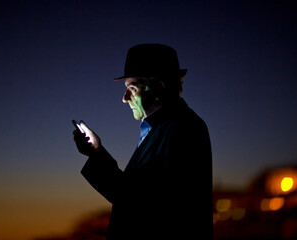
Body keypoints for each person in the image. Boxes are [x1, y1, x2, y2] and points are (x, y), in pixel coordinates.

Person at [73, 44, 212, 240]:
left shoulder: (183, 128)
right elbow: (137, 194)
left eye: (132, 88)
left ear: (158, 87)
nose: (124, 98)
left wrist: (97, 156)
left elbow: (140, 204)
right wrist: (96, 153)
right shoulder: (168, 128)